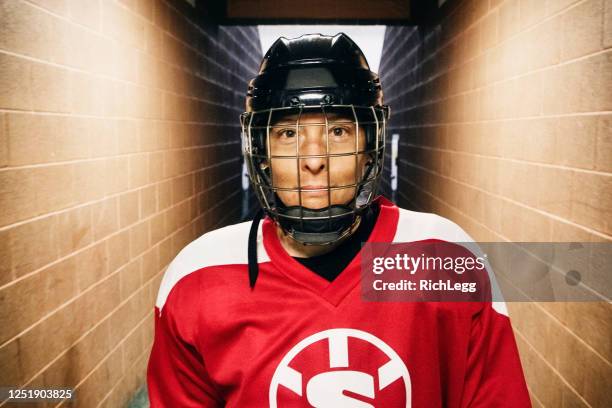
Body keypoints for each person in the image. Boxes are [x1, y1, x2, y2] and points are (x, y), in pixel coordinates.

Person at [147, 33, 531, 407]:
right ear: (261, 152)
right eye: (287, 133)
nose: (314, 160)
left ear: (369, 147)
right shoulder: (197, 277)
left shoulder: (444, 258)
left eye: (338, 131)